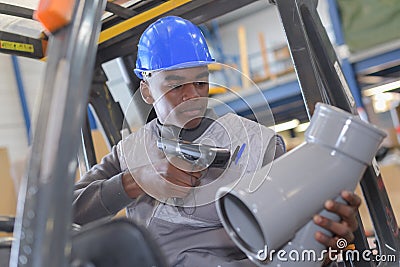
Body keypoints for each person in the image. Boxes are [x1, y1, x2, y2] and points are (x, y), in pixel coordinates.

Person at [73, 16, 361, 266]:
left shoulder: (255, 144)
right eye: (175, 86)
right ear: (147, 91)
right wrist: (136, 181)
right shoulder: (129, 152)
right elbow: (68, 211)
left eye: (201, 81)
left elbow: (297, 238)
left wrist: (327, 242)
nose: (192, 96)